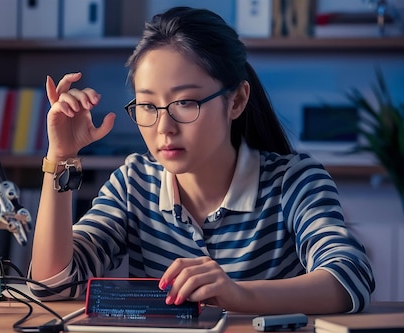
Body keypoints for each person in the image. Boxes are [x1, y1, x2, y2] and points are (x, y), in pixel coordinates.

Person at [28, 6, 375, 314]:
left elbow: (349, 277)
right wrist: (61, 156)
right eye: (148, 106)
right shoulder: (134, 183)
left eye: (185, 103)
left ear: (236, 101)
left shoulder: (294, 181)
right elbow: (53, 284)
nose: (164, 127)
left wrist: (238, 296)